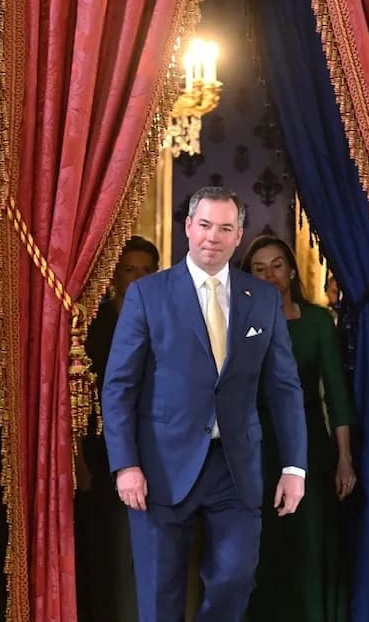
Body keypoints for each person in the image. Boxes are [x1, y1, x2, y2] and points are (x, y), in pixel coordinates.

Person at [102, 186, 308, 622]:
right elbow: (120, 385)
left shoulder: (263, 299)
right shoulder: (148, 295)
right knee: (159, 594)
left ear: (238, 236)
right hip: (160, 463)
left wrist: (294, 467)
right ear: (188, 228)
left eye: (226, 228)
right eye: (206, 225)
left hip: (234, 467)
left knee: (235, 578)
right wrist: (125, 464)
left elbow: (284, 388)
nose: (214, 236)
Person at [242, 234, 357, 622]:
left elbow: (337, 397)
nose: (270, 275)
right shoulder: (237, 323)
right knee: (263, 549)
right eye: (259, 269)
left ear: (291, 270)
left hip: (308, 446)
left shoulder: (317, 322)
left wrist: (344, 459)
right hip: (256, 446)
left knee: (310, 544)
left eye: (276, 266)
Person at [76, 235, 159, 622]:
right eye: (130, 270)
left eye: (147, 270)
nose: (139, 277)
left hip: (155, 450)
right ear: (115, 276)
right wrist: (77, 459)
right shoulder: (92, 325)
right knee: (104, 546)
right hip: (101, 449)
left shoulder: (167, 320)